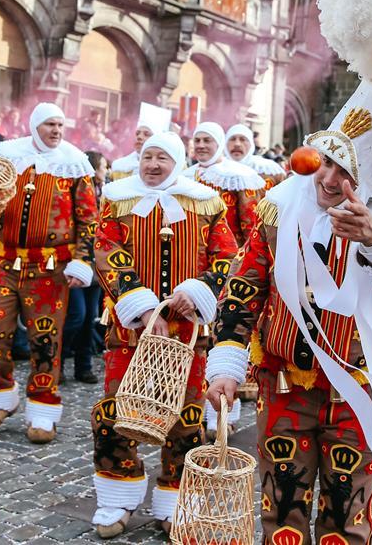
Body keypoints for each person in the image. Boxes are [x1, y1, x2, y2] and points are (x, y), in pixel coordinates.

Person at [208, 82, 372, 545]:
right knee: (282, 506)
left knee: (347, 512)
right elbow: (243, 291)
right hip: (286, 380)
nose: (329, 179)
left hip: (361, 386)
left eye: (346, 170)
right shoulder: (277, 209)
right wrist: (227, 362)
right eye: (325, 162)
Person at [90, 131, 239, 538]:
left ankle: (175, 498)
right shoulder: (117, 200)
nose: (152, 165)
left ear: (178, 162)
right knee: (117, 408)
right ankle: (116, 495)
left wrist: (198, 291)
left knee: (187, 415)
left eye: (162, 158)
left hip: (188, 332)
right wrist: (140, 307)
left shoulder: (206, 203)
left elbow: (227, 254)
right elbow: (105, 252)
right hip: (130, 330)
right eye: (146, 157)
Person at [0, 103, 98, 444]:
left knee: (45, 340)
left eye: (60, 124)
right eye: (49, 125)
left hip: (50, 269)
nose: (56, 130)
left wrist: (83, 261)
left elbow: (89, 219)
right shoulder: (9, 158)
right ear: (34, 126)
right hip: (4, 262)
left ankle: (43, 405)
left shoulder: (75, 166)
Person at [60, 151, 109, 384]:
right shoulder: (78, 190)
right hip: (77, 261)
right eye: (103, 167)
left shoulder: (106, 193)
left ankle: (83, 365)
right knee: (76, 315)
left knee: (90, 316)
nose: (105, 171)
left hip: (96, 263)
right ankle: (55, 362)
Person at [183, 122, 265, 246]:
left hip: (230, 254)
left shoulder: (238, 175)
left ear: (219, 143)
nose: (201, 145)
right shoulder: (185, 175)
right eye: (197, 140)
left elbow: (251, 224)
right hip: (193, 250)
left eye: (207, 140)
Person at [109, 103, 171, 181]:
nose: (139, 137)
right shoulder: (120, 167)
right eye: (137, 133)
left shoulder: (172, 167)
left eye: (146, 134)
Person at [224, 124, 287, 189]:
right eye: (232, 139)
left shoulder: (269, 171)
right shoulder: (216, 171)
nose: (237, 144)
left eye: (243, 139)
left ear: (251, 144)